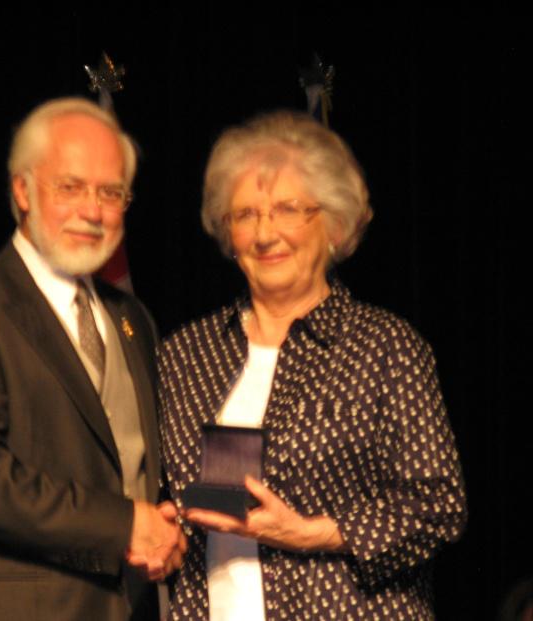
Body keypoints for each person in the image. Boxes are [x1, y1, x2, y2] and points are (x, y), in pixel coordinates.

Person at [157, 110, 467, 620]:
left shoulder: (385, 348)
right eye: (245, 215)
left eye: (287, 210)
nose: (265, 234)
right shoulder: (184, 354)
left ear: (334, 224)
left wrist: (314, 532)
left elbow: (437, 507)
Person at [0, 97, 185, 621]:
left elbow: (138, 468)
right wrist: (123, 524)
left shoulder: (133, 319)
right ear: (22, 190)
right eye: (70, 187)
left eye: (110, 192)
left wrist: (164, 531)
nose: (92, 210)